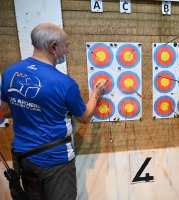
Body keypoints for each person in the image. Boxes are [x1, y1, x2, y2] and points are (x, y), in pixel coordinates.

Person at [1, 23, 107, 200]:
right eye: (65, 45)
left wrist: (31, 108)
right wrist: (96, 94)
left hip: (24, 159)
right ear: (53, 46)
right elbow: (85, 117)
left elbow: (5, 111)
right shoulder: (64, 83)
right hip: (54, 161)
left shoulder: (10, 72)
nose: (67, 51)